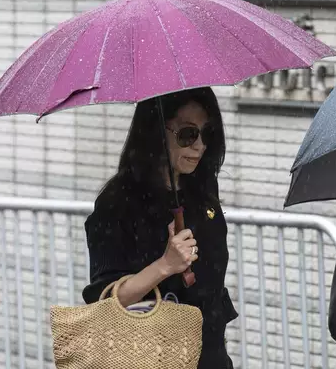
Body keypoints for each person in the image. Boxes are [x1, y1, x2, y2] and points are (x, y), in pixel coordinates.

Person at [82, 87, 238, 369]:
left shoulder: (203, 193)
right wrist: (165, 265)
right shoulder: (118, 202)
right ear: (156, 131)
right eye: (188, 134)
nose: (200, 146)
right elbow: (104, 306)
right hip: (148, 356)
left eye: (208, 133)